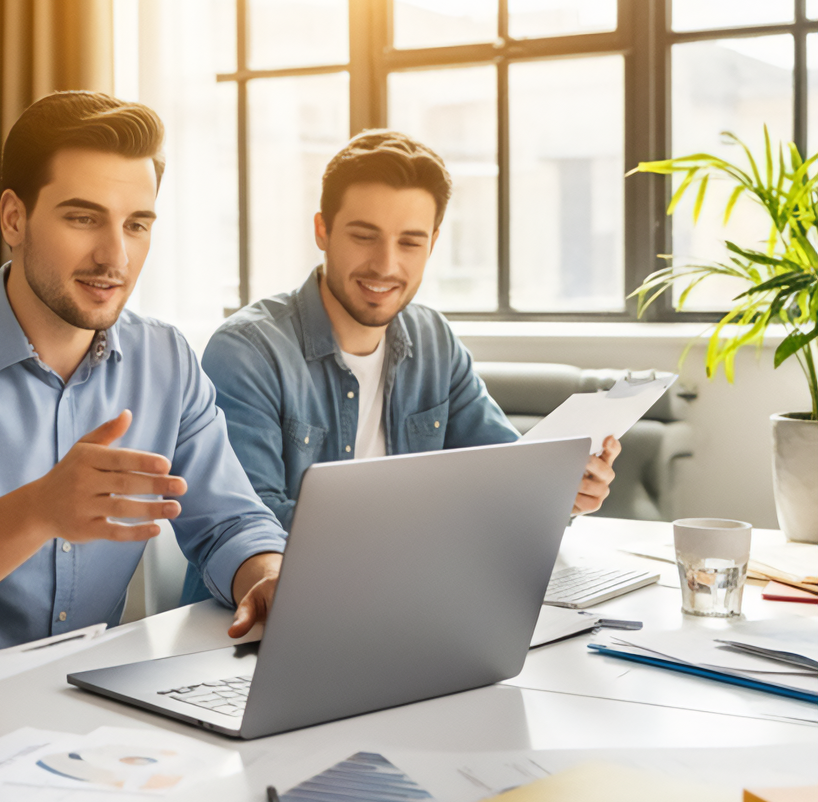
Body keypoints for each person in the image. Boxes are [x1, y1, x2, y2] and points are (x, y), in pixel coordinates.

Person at [0, 91, 288, 661]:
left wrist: (265, 577)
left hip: (85, 709)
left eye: (137, 224)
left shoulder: (166, 360)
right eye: (83, 218)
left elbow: (231, 525)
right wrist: (41, 509)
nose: (115, 257)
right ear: (13, 217)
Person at [182, 129, 620, 604]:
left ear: (432, 243)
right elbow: (254, 522)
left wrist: (558, 493)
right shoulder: (248, 350)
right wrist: (434, 524)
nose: (385, 265)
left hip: (407, 599)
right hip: (264, 617)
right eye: (364, 236)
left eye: (409, 242)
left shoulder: (433, 339)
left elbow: (507, 479)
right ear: (322, 230)